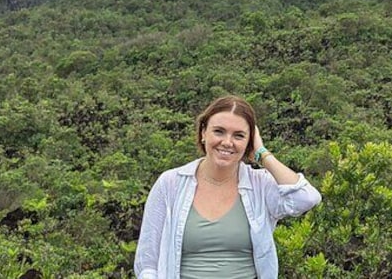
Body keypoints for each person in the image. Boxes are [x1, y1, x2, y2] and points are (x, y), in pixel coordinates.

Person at [133, 95, 322, 279]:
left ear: (250, 141)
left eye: (239, 135)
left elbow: (306, 198)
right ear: (203, 133)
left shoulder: (260, 185)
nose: (227, 142)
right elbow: (147, 261)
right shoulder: (171, 183)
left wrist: (262, 154)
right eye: (219, 131)